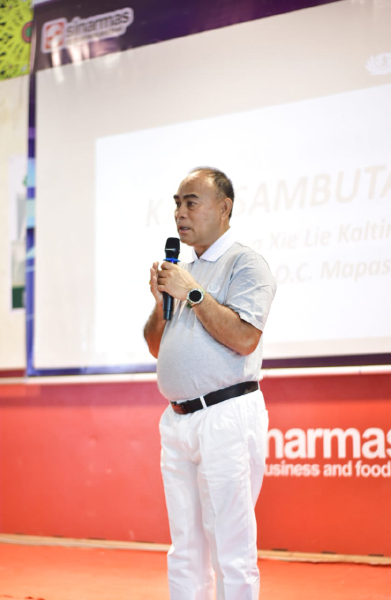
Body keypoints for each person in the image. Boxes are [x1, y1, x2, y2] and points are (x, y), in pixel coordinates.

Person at [144, 167, 276, 600]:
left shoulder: (245, 263)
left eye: (191, 202)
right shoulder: (183, 270)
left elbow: (244, 338)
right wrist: (161, 304)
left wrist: (194, 293)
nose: (180, 213)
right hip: (178, 420)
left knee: (230, 548)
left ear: (224, 207)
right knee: (185, 548)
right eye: (177, 204)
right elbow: (156, 346)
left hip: (226, 415)